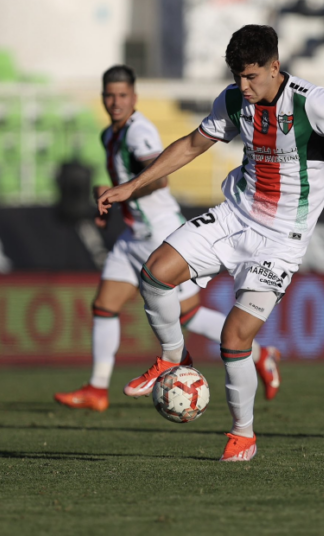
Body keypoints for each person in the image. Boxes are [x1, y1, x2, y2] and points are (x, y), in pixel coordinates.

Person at [97, 26, 324, 461]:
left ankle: (243, 434)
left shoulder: (309, 102)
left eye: (251, 77)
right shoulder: (231, 100)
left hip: (281, 240)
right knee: (154, 274)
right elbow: (191, 144)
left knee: (234, 338)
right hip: (234, 216)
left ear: (274, 67)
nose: (243, 86)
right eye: (237, 77)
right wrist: (133, 185)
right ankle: (172, 357)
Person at [54, 65, 281, 412]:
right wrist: (112, 203)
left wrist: (118, 192)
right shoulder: (108, 134)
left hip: (158, 231)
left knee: (188, 314)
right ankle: (97, 388)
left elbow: (158, 180)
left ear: (135, 98)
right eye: (110, 95)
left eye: (122, 96)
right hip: (134, 234)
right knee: (104, 305)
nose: (115, 102)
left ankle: (261, 352)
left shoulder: (138, 131)